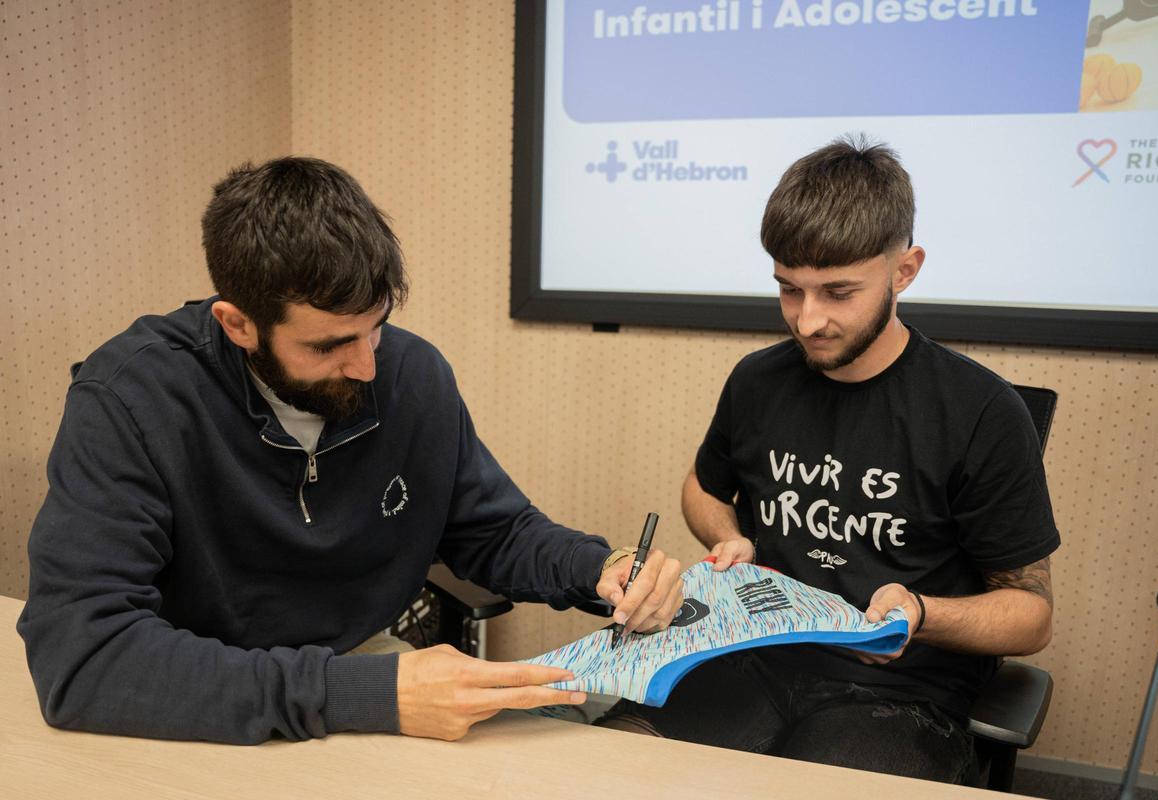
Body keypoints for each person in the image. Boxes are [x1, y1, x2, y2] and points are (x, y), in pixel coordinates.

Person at [17, 157, 683, 745]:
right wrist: (369, 694)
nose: (367, 367)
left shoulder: (412, 373)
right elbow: (84, 658)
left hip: (349, 676)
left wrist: (601, 567)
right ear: (238, 324)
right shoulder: (132, 399)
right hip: (194, 693)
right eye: (331, 346)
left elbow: (491, 529)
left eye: (377, 328)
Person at [598, 136, 1058, 784]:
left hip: (899, 694)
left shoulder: (981, 412)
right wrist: (730, 539)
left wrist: (922, 614)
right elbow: (702, 488)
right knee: (609, 764)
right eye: (789, 289)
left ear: (906, 270)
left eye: (837, 292)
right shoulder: (757, 381)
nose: (807, 321)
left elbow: (1031, 613)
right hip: (754, 657)